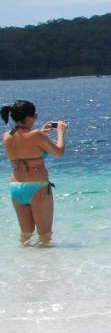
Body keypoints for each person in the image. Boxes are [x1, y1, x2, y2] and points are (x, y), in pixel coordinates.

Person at [2, 100, 67, 245]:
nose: (36, 118)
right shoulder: (36, 135)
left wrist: (42, 132)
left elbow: (24, 140)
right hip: (37, 187)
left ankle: (25, 263)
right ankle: (45, 265)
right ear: (29, 117)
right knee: (45, 234)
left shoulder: (7, 136)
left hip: (16, 187)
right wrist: (60, 132)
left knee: (26, 234)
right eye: (35, 115)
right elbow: (59, 152)